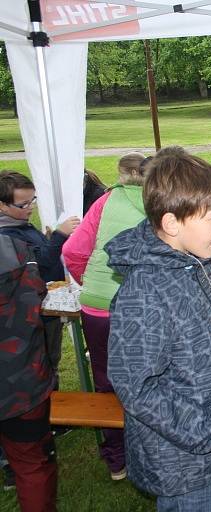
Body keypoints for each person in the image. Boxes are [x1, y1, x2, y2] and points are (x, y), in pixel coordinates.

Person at [106, 152, 211, 510]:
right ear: (172, 223)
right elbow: (138, 389)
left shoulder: (197, 267)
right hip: (181, 463)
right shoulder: (145, 291)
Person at [62, 152, 147, 481]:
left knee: (107, 381)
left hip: (98, 307)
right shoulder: (162, 206)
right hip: (140, 304)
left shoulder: (105, 201)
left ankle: (117, 458)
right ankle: (146, 450)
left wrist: (91, 283)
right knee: (145, 379)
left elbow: (72, 251)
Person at [0, 171, 80, 393]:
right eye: (23, 204)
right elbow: (40, 264)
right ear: (2, 206)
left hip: (42, 304)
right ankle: (48, 414)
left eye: (32, 200)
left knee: (49, 358)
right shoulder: (8, 236)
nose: (30, 207)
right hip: (32, 312)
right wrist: (58, 236)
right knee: (42, 362)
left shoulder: (20, 224)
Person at [0, 233, 57, 511]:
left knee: (31, 463)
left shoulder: (17, 249)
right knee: (32, 466)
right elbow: (38, 291)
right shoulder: (17, 250)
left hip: (21, 383)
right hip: (22, 382)